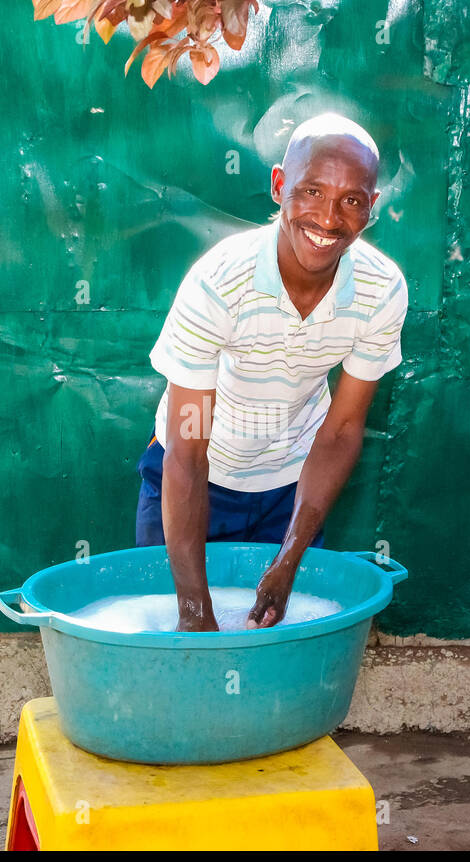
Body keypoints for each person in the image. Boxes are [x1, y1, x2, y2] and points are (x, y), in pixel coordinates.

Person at [135, 112, 408, 632]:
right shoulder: (217, 282)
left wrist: (287, 560)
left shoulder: (383, 290)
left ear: (371, 209)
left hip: (291, 488)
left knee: (277, 645)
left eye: (351, 200)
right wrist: (195, 613)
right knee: (174, 646)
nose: (328, 219)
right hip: (195, 477)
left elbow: (344, 428)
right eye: (311, 191)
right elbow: (188, 443)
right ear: (279, 185)